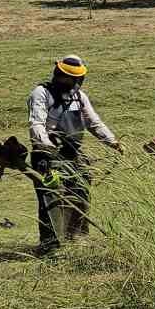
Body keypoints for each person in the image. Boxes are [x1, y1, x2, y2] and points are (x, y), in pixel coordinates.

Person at [27, 55, 124, 254]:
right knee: (51, 198)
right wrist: (48, 148)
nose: (75, 82)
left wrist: (112, 141)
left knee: (81, 193)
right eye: (72, 78)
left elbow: (93, 122)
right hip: (47, 155)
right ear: (61, 75)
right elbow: (36, 124)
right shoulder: (41, 93)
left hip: (73, 153)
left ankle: (77, 240)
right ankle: (51, 247)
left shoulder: (79, 96)